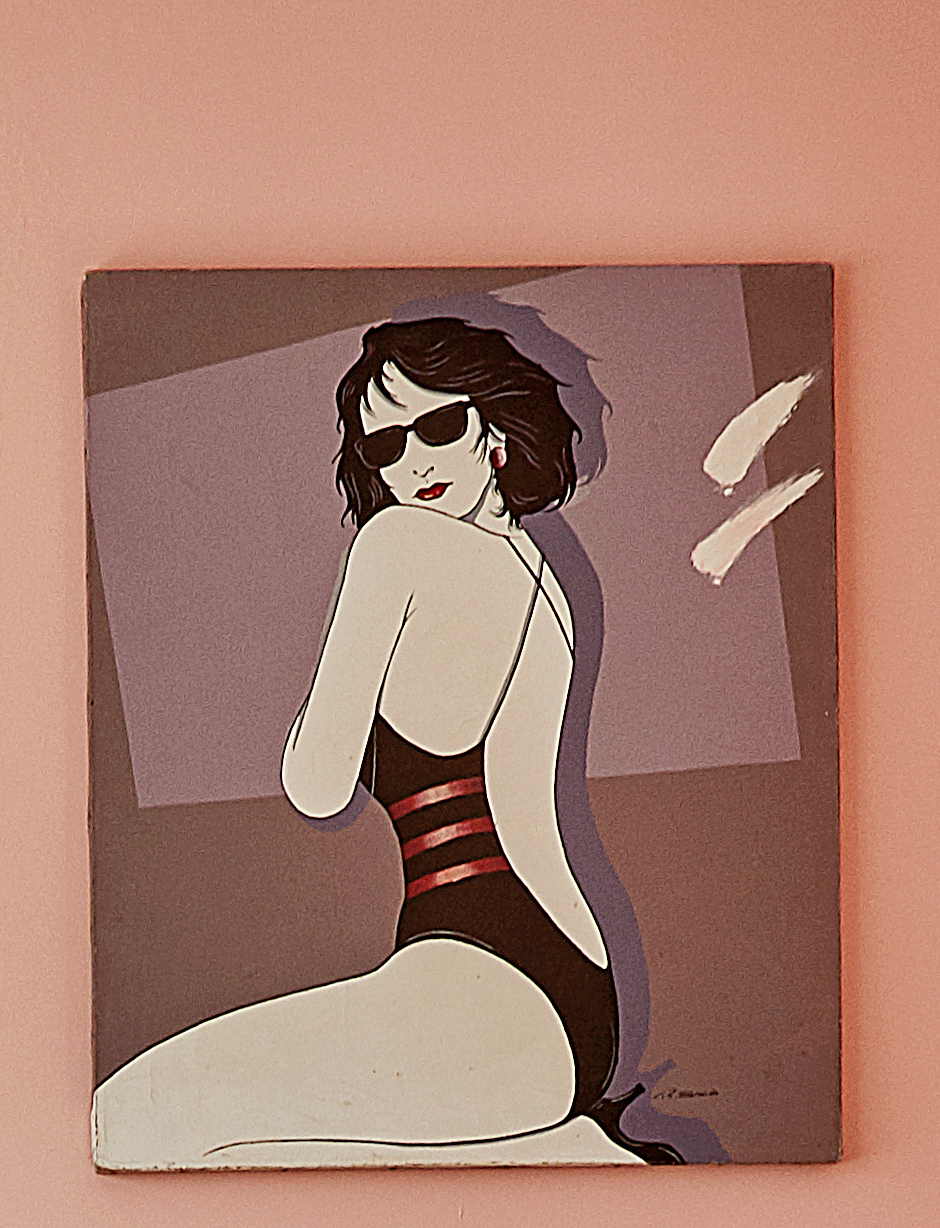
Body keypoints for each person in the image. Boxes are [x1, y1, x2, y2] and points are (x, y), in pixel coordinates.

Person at [91, 316, 659, 1166]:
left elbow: (314, 784)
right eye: (388, 445)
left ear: (495, 429)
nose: (416, 462)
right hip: (575, 999)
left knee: (123, 1120)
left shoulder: (395, 544)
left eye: (438, 425)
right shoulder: (547, 581)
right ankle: (579, 1149)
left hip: (484, 988)